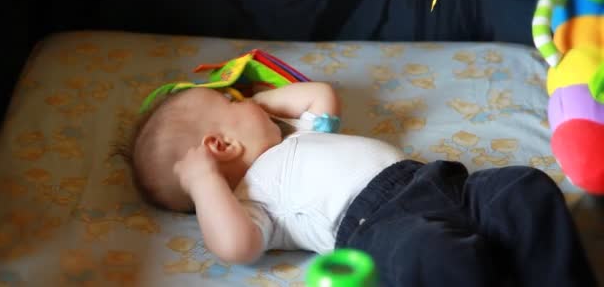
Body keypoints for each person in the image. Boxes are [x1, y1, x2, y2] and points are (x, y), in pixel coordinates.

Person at [124, 81, 597, 286]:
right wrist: (205, 181)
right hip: (378, 227)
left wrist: (259, 101)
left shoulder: (301, 134)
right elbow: (235, 247)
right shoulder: (253, 200)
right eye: (235, 102)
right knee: (432, 256)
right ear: (220, 144)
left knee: (524, 188)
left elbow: (321, 96)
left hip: (439, 181)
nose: (253, 103)